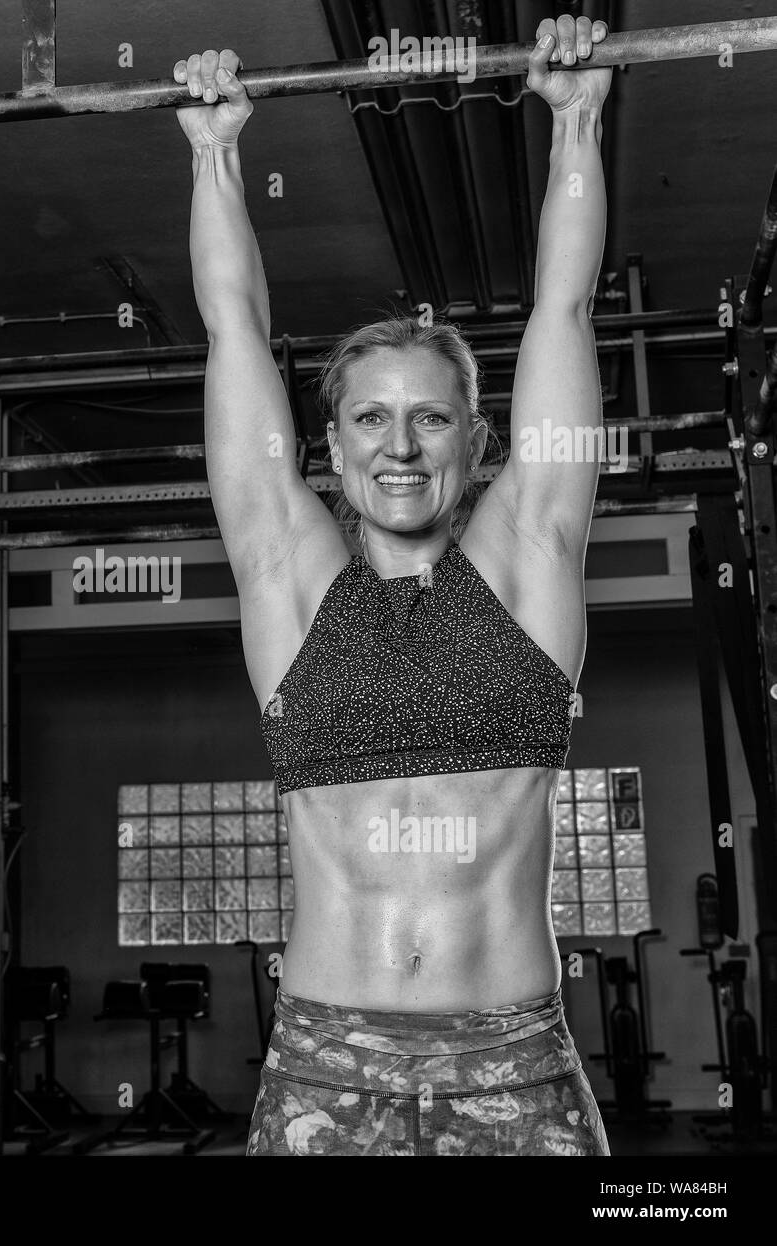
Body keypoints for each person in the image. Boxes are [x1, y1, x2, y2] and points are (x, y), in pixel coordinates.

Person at [176, 16, 612, 1155]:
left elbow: (561, 312)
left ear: (476, 441)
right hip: (326, 1065)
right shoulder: (289, 577)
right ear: (329, 446)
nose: (401, 446)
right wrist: (215, 151)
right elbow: (233, 331)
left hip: (512, 1063)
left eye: (431, 418)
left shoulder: (529, 564)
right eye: (370, 417)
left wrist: (573, 118)